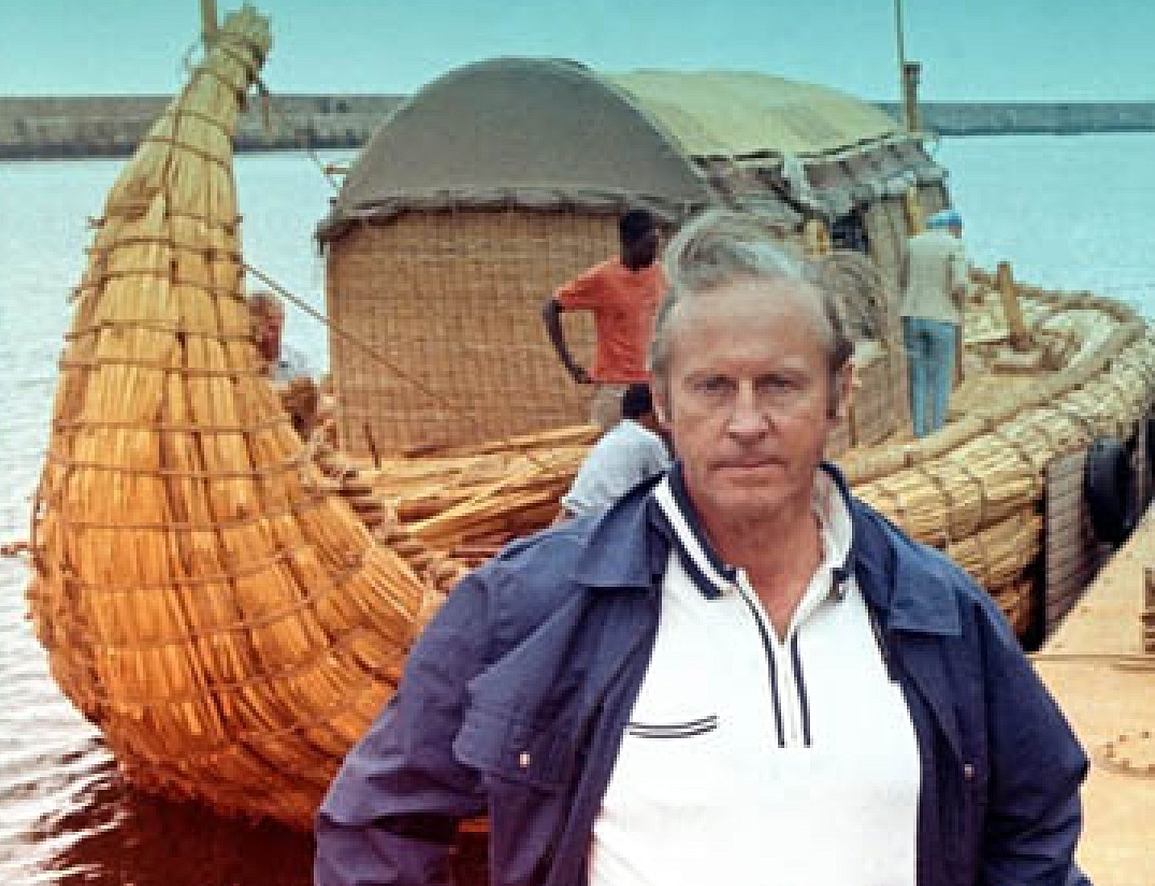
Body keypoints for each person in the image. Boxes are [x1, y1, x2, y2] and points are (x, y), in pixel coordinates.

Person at [315, 210, 1089, 886]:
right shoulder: (536, 605)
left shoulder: (939, 612)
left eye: (780, 384)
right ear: (662, 400)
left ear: (839, 394)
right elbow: (377, 819)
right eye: (713, 387)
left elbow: (1035, 823)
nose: (746, 420)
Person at [541, 209, 665, 429]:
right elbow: (550, 309)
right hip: (615, 389)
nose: (654, 252)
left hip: (652, 385)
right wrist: (570, 365)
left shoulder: (658, 273)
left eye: (656, 244)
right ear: (629, 243)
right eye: (649, 245)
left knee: (658, 455)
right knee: (609, 451)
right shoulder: (602, 278)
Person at [901, 208, 969, 437]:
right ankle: (937, 432)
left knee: (918, 376)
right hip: (942, 316)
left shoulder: (913, 243)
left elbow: (904, 278)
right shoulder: (954, 246)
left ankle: (920, 431)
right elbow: (959, 283)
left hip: (912, 315)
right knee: (941, 377)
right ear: (954, 227)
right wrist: (957, 302)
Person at [558, 382, 671, 519]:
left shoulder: (613, 435)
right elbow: (667, 493)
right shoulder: (650, 441)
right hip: (603, 521)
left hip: (574, 513)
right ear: (652, 414)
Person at [247, 290, 313, 384]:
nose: (269, 336)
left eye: (274, 328)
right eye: (257, 330)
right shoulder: (241, 363)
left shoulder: (298, 362)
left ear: (282, 322)